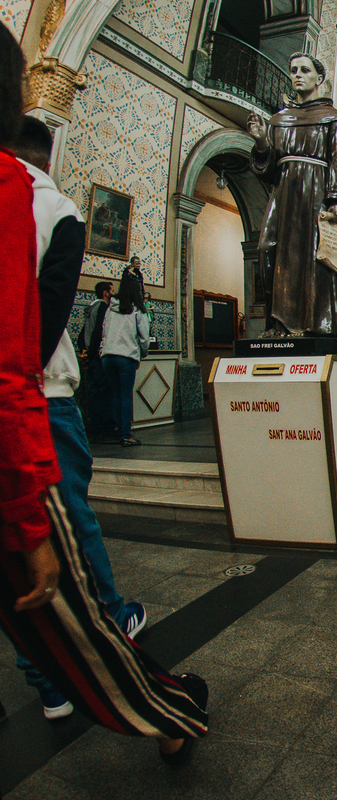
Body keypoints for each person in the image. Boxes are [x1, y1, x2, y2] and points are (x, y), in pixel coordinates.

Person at [0, 24, 207, 764]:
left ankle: (139, 685)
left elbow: (25, 346)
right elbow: (24, 348)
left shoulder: (34, 202)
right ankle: (99, 677)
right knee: (49, 567)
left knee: (61, 556)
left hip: (35, 401)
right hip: (32, 405)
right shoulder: (37, 201)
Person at [12, 114, 149, 718]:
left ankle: (43, 680)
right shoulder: (51, 206)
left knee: (16, 545)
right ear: (46, 158)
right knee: (68, 520)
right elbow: (39, 325)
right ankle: (111, 627)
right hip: (36, 394)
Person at [249, 52, 337, 337]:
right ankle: (278, 324)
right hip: (284, 190)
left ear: (319, 78)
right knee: (268, 248)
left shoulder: (333, 119)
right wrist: (260, 142)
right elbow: (267, 170)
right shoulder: (279, 120)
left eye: (304, 70)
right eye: (293, 70)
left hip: (315, 190)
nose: (297, 75)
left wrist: (336, 199)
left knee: (315, 256)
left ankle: (318, 324)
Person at [99, 271, 150, 447]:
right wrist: (141, 354)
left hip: (107, 356)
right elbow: (144, 337)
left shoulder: (111, 309)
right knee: (126, 396)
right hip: (126, 356)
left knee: (115, 395)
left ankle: (119, 430)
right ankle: (126, 435)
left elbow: (104, 332)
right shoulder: (138, 309)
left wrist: (102, 351)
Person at [79, 280, 115, 440]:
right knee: (103, 393)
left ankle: (95, 427)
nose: (113, 293)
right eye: (111, 291)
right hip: (98, 356)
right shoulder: (102, 307)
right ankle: (104, 429)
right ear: (106, 293)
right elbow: (98, 331)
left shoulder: (91, 307)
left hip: (90, 354)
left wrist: (84, 350)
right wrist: (93, 351)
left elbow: (85, 330)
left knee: (94, 393)